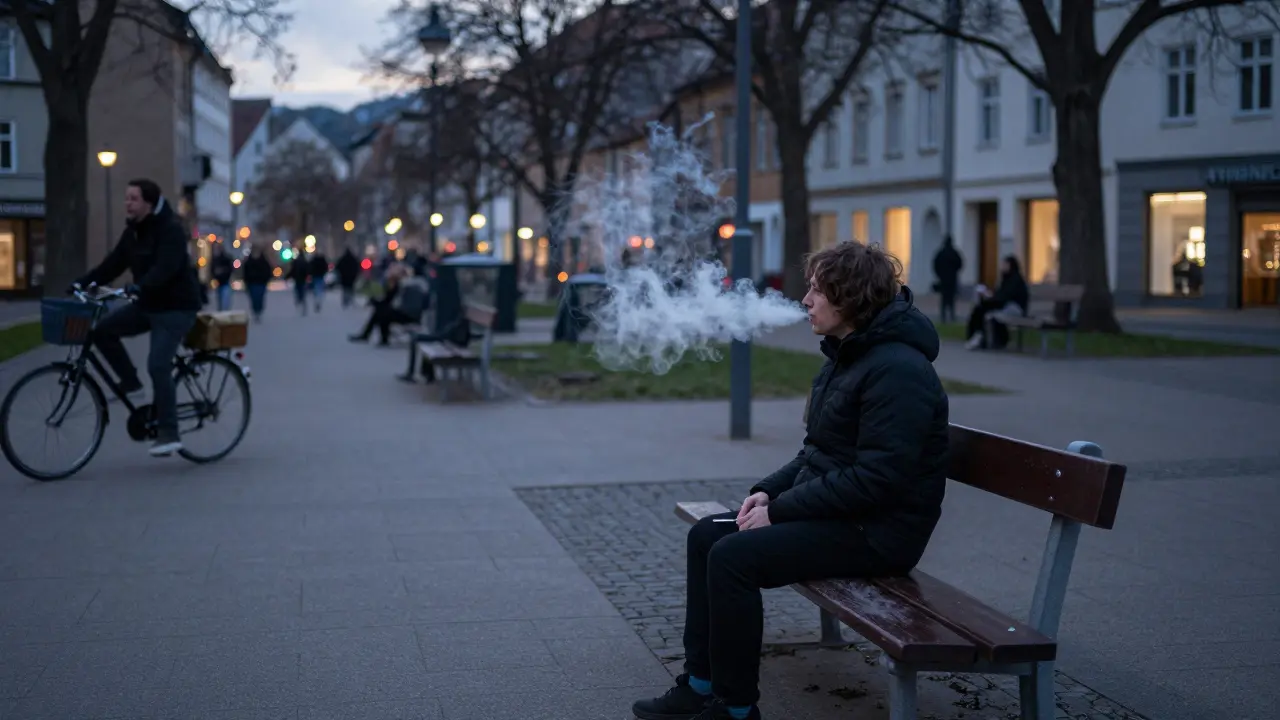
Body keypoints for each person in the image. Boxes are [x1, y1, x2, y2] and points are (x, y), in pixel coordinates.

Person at [631, 241, 950, 720]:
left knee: (734, 558)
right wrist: (767, 491)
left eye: (817, 290)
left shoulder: (898, 371)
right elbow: (816, 451)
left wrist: (779, 512)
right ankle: (699, 684)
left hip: (880, 532)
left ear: (849, 299)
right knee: (707, 536)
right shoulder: (848, 356)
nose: (806, 300)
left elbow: (876, 480)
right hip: (848, 516)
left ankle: (736, 708)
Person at [73, 178, 203, 457]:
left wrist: (141, 285)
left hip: (176, 307)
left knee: (158, 365)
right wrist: (82, 283)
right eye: (126, 198)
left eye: (133, 199)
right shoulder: (133, 232)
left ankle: (169, 432)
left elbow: (166, 267)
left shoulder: (171, 229)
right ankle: (131, 383)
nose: (127, 204)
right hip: (148, 304)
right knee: (102, 331)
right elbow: (113, 264)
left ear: (149, 203)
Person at [964, 255, 1029, 350]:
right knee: (981, 309)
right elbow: (1000, 294)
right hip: (1005, 304)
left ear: (1010, 265)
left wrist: (992, 298)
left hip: (1014, 307)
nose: (1002, 267)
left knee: (985, 311)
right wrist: (990, 295)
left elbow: (1006, 296)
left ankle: (979, 337)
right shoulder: (1005, 279)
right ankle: (977, 336)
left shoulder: (1015, 280)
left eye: (1004, 264)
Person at [349, 263, 423, 345]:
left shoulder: (403, 285)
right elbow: (388, 300)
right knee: (380, 311)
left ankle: (374, 337)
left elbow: (393, 301)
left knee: (381, 312)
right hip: (403, 312)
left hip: (407, 314)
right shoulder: (398, 284)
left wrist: (377, 303)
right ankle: (375, 337)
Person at [931, 234, 963, 324]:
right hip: (952, 279)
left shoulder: (941, 253)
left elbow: (935, 265)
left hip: (943, 279)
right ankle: (952, 315)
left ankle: (943, 316)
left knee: (944, 298)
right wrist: (954, 272)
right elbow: (960, 264)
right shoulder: (954, 253)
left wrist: (939, 274)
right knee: (951, 298)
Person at [242, 245, 273, 322]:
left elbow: (268, 271)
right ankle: (255, 311)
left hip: (261, 283)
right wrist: (246, 281)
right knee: (254, 298)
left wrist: (266, 279)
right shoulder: (249, 261)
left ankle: (259, 310)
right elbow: (245, 272)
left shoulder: (264, 261)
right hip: (252, 283)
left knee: (260, 297)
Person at [210, 243, 234, 311]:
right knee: (220, 297)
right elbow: (212, 269)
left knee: (224, 297)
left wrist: (221, 271)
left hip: (225, 281)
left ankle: (223, 309)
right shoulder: (215, 259)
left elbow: (230, 269)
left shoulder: (225, 258)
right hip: (219, 282)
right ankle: (222, 309)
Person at [288, 249, 310, 315]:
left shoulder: (296, 261)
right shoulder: (305, 261)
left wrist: (288, 276)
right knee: (302, 292)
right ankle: (302, 303)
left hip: (297, 279)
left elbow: (292, 270)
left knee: (297, 291)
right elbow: (308, 270)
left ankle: (299, 301)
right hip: (303, 280)